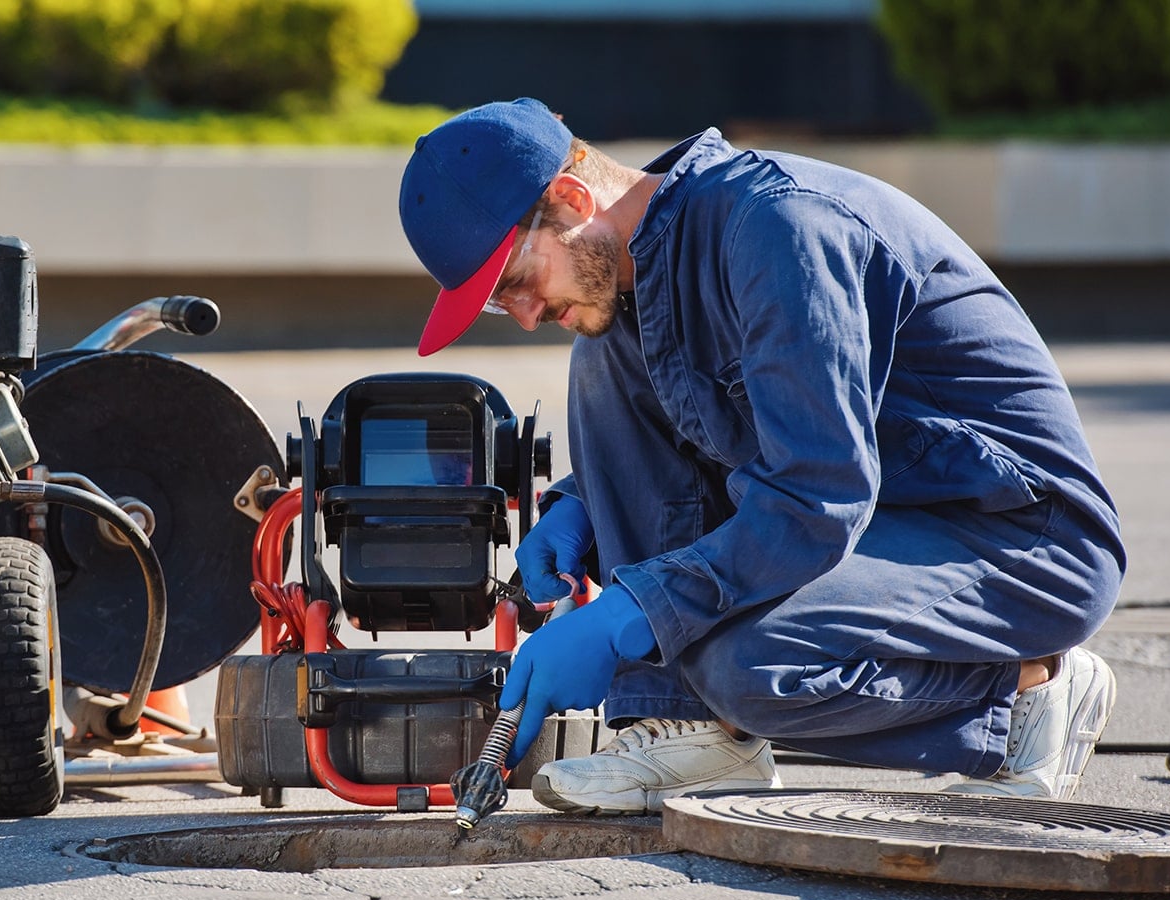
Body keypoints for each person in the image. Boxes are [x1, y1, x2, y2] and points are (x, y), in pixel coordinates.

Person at [397, 99, 1126, 813]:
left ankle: (1032, 691)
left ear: (571, 198)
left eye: (515, 283)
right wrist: (585, 505)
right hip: (883, 511)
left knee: (752, 666)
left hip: (1019, 534)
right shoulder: (643, 268)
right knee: (602, 346)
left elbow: (817, 495)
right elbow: (729, 431)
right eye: (499, 304)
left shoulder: (780, 229)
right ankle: (693, 731)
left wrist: (637, 609)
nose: (525, 316)